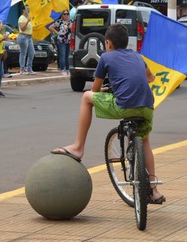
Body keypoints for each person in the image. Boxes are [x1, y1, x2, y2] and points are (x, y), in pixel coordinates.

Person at [53, 23, 165, 205]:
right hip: (147, 106)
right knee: (144, 141)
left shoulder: (106, 57)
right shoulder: (137, 56)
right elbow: (150, 78)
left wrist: (108, 88)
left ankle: (78, 146)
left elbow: (95, 90)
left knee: (86, 97)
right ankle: (154, 189)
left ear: (109, 43)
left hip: (124, 105)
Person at [50, 9, 72, 76]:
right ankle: (62, 69)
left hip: (68, 40)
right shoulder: (59, 22)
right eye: (64, 14)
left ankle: (67, 69)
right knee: (62, 55)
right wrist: (57, 33)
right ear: (62, 15)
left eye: (67, 14)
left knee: (67, 56)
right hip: (62, 40)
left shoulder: (70, 22)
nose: (66, 15)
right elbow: (51, 27)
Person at [17, 6, 35, 75]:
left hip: (29, 37)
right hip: (23, 36)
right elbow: (22, 28)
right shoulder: (21, 18)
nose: (28, 11)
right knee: (23, 53)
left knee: (32, 52)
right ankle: (22, 69)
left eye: (29, 9)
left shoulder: (28, 18)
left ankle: (29, 68)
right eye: (27, 9)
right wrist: (27, 21)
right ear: (24, 10)